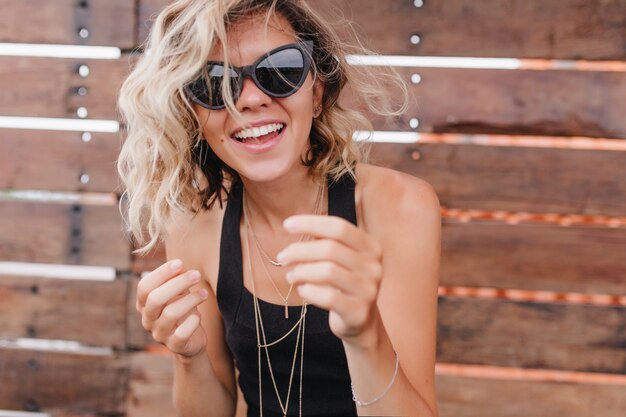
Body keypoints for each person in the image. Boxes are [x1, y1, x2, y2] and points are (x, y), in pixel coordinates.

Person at [116, 0, 441, 416]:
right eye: (215, 84)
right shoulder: (195, 222)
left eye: (281, 70)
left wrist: (364, 335)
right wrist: (188, 355)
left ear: (317, 91)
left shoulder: (399, 207)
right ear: (192, 113)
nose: (250, 99)